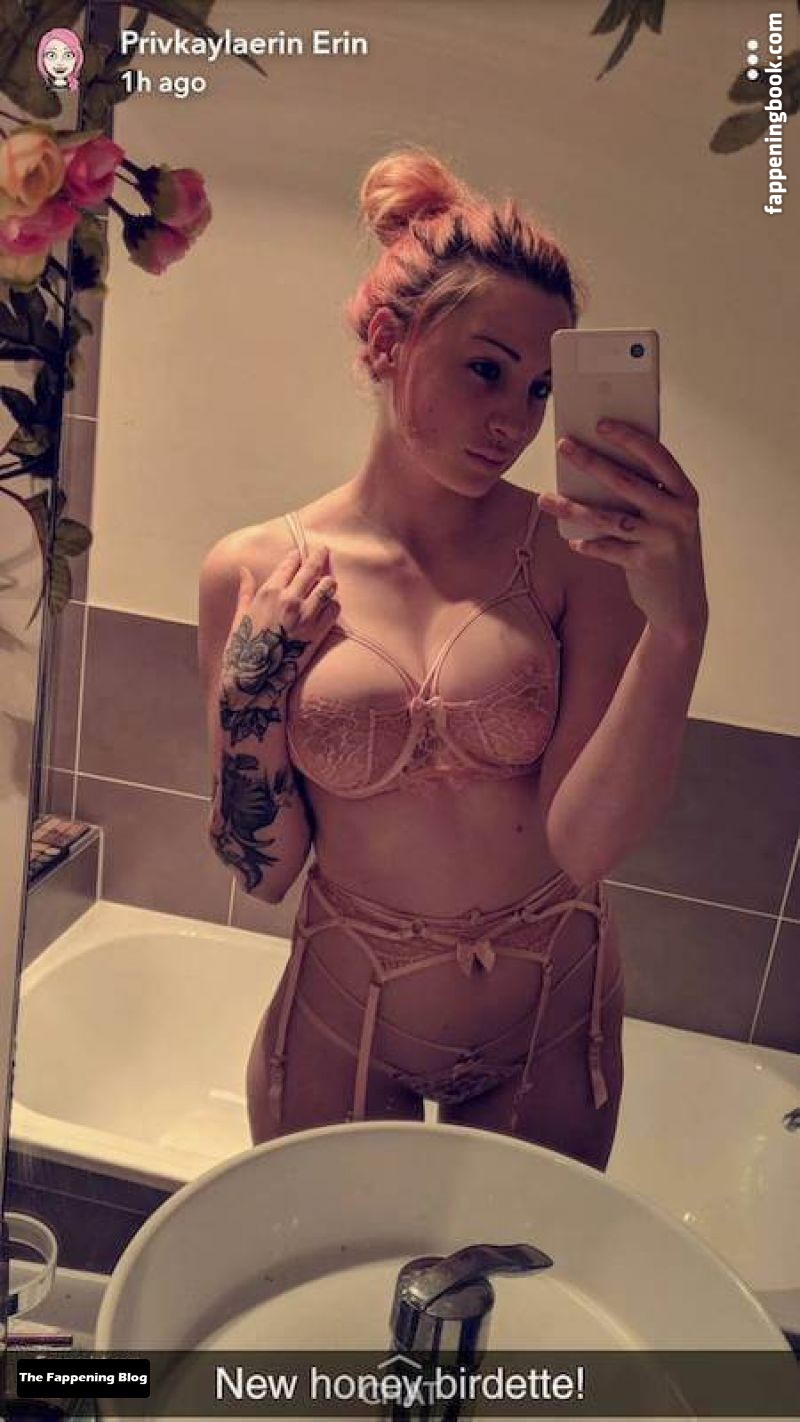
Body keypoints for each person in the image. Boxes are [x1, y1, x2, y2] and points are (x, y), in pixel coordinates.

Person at [198, 148, 708, 1171]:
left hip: (549, 1016)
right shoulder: (253, 573)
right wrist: (252, 688)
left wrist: (677, 630)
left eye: (540, 388)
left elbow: (585, 844)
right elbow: (265, 871)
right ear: (391, 341)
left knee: (517, 1276)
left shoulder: (575, 557)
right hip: (343, 1016)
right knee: (330, 1275)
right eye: (486, 369)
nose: (514, 419)